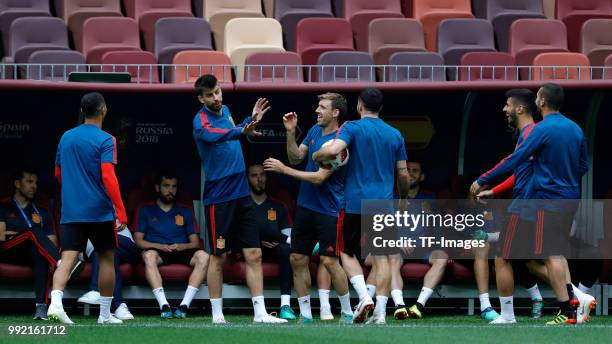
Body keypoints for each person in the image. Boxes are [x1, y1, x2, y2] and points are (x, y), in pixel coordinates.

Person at [472, 83, 589, 325]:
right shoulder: (576, 129)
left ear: (543, 101)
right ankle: (574, 303)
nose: (536, 100)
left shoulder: (540, 130)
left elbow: (516, 159)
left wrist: (484, 180)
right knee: (549, 254)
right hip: (570, 199)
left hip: (545, 200)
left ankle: (567, 310)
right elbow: (582, 167)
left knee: (546, 255)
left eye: (538, 96)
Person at [192, 74, 286, 324]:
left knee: (254, 253)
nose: (216, 97)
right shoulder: (200, 120)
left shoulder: (227, 110)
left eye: (218, 92)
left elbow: (236, 131)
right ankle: (217, 315)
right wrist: (243, 129)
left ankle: (260, 313)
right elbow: (218, 135)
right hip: (219, 197)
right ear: (201, 98)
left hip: (242, 194)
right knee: (219, 256)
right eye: (210, 95)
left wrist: (251, 120)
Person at [313, 88, 411, 324]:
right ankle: (380, 314)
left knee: (345, 252)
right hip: (383, 204)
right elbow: (403, 173)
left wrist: (317, 155)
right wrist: (403, 200)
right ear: (381, 108)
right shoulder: (395, 134)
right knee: (383, 258)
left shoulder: (352, 127)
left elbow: (334, 150)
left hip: (354, 202)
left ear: (359, 106)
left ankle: (365, 296)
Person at [263, 93, 354, 325]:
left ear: (335, 113)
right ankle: (305, 315)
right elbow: (295, 158)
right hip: (305, 207)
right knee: (296, 258)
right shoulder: (314, 131)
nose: (317, 110)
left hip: (330, 211)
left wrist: (284, 171)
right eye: (317, 107)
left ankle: (347, 312)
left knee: (330, 262)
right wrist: (291, 132)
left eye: (322, 107)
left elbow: (319, 178)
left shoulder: (338, 143)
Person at [48, 92, 127, 324]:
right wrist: (120, 210)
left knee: (68, 258)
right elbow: (108, 177)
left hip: (72, 210)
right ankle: (104, 315)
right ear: (103, 110)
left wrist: (75, 191)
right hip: (99, 211)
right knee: (106, 259)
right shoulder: (106, 139)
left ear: (83, 111)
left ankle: (55, 303)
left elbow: (58, 173)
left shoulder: (66, 137)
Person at [475, 89, 548, 323]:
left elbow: (511, 163)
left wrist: (483, 179)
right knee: (531, 263)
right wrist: (495, 190)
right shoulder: (528, 134)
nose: (504, 109)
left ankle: (507, 316)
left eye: (507, 105)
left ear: (520, 108)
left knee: (502, 257)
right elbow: (520, 172)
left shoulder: (531, 133)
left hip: (526, 206)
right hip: (532, 205)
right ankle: (575, 297)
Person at [134, 172, 208, 319]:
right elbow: (138, 241)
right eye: (166, 186)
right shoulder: (145, 210)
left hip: (180, 250)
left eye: (174, 186)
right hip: (158, 251)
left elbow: (194, 242)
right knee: (148, 255)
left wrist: (182, 246)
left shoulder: (184, 210)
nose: (170, 190)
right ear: (157, 188)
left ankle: (184, 305)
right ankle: (164, 305)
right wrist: (160, 246)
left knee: (204, 256)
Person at [0, 168, 61, 320]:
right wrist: (24, 235)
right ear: (17, 184)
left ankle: (41, 308)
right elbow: (0, 237)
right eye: (29, 181)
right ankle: (63, 265)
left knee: (40, 254)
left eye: (35, 183)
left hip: (32, 254)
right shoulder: (4, 206)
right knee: (32, 232)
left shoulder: (42, 211)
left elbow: (51, 243)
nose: (34, 186)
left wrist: (12, 233)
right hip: (8, 250)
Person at [246, 164, 296, 320]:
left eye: (262, 175)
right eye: (254, 175)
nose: (259, 179)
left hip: (274, 250)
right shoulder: (243, 205)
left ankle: (285, 305)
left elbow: (288, 235)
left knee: (285, 250)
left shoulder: (278, 206)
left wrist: (278, 240)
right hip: (250, 249)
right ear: (248, 179)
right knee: (256, 229)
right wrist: (261, 240)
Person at [77, 226, 138, 320]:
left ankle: (96, 290)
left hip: (123, 240)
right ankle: (119, 305)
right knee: (108, 252)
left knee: (105, 246)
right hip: (96, 245)